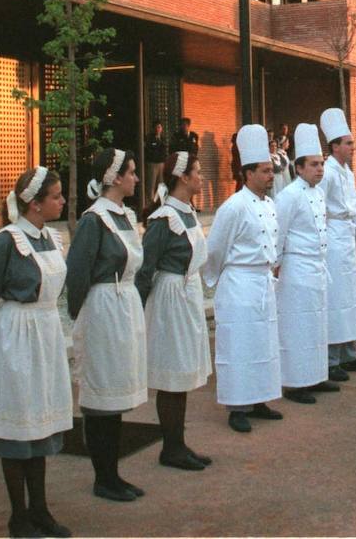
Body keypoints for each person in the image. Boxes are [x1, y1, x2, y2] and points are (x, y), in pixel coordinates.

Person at [0, 167, 74, 538]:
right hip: (16, 337)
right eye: (57, 196)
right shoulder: (7, 242)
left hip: (45, 333)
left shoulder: (52, 239)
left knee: (40, 422)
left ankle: (40, 509)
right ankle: (19, 516)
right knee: (17, 427)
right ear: (34, 204)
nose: (63, 201)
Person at [65, 149, 148, 502]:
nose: (136, 178)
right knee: (101, 394)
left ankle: (114, 472)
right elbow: (78, 273)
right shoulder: (93, 220)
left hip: (124, 305)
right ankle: (104, 477)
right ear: (115, 178)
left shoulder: (125, 216)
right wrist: (84, 316)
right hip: (103, 308)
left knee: (117, 391)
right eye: (130, 172)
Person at [203, 124, 284, 433]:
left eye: (271, 170)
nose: (270, 175)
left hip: (263, 283)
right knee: (238, 346)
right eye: (264, 171)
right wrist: (221, 280)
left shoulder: (270, 204)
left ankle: (260, 398)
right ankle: (237, 406)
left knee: (263, 343)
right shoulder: (233, 207)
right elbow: (216, 250)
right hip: (239, 284)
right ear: (248, 174)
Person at [136, 151, 213, 472]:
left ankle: (178, 443)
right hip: (170, 298)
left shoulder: (188, 213)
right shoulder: (164, 219)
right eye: (196, 171)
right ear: (182, 177)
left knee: (183, 372)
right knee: (171, 373)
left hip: (187, 293)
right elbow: (144, 269)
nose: (200, 176)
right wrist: (136, 315)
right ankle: (171, 447)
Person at [273, 123, 338, 404]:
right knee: (298, 327)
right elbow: (279, 233)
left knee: (317, 324)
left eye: (321, 164)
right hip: (297, 269)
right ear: (298, 168)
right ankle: (296, 383)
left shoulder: (319, 193)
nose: (320, 169)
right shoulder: (289, 195)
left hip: (317, 267)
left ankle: (316, 375)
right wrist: (275, 265)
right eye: (313, 164)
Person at [318, 107, 356, 380]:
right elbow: (320, 206)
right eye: (348, 143)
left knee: (350, 296)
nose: (352, 148)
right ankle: (332, 357)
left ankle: (349, 351)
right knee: (336, 298)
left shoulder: (347, 172)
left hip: (347, 234)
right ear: (335, 146)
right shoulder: (327, 172)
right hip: (334, 235)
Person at [144, 121, 167, 211]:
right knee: (151, 185)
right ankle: (150, 205)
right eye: (157, 127)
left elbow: (164, 150)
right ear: (154, 128)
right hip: (152, 163)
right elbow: (149, 151)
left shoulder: (163, 138)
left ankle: (161, 204)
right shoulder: (149, 138)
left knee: (161, 185)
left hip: (161, 163)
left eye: (160, 127)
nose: (158, 129)